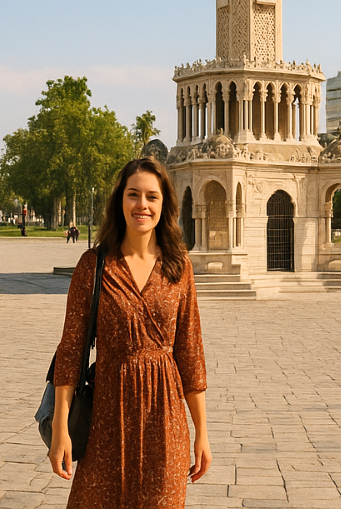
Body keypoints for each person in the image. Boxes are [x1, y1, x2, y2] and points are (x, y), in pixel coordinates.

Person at [49, 157, 210, 507]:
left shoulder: (178, 267)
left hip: (166, 421)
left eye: (152, 196)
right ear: (120, 201)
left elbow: (190, 353)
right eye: (133, 194)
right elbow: (71, 350)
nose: (142, 205)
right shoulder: (93, 266)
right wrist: (60, 427)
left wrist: (202, 433)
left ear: (164, 203)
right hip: (107, 419)